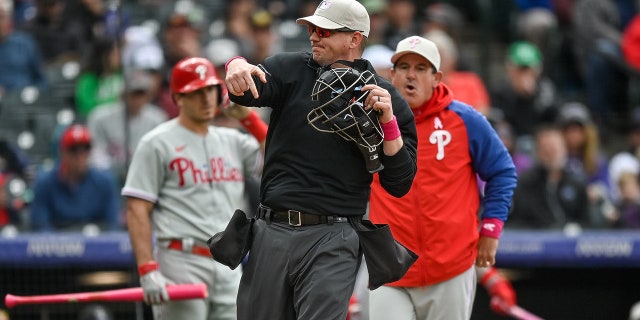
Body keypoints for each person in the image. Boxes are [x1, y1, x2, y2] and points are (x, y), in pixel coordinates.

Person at [223, 0, 418, 319]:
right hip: (273, 227)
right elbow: (244, 91)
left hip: (334, 235)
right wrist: (236, 64)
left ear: (355, 39)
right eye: (312, 28)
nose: (314, 35)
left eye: (324, 30)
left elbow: (399, 184)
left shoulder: (384, 96)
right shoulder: (290, 69)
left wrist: (389, 125)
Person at [367, 35, 517, 320]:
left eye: (421, 69)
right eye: (404, 67)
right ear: (391, 74)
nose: (411, 75)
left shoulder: (466, 119)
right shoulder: (369, 123)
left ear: (437, 77)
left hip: (450, 268)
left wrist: (491, 228)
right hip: (391, 268)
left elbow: (502, 171)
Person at [122, 56, 267, 320]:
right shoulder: (156, 142)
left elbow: (281, 156)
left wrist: (248, 118)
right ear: (178, 98)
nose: (206, 99)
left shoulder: (232, 140)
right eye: (196, 92)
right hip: (181, 261)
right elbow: (137, 209)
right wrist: (147, 268)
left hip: (228, 264)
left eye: (210, 89)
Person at [30, 124, 121, 232]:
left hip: (95, 245)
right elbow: (40, 228)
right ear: (62, 152)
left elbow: (113, 227)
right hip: (57, 246)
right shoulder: (44, 183)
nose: (80, 155)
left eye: (85, 148)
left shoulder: (104, 182)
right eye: (74, 149)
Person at [87, 69, 167, 187]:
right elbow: (95, 154)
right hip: (110, 177)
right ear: (123, 94)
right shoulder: (100, 117)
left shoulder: (157, 118)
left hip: (144, 178)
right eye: (134, 93)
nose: (138, 99)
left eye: (142, 93)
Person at [508, 125, 592, 229]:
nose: (550, 153)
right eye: (545, 149)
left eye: (554, 149)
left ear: (564, 149)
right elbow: (514, 222)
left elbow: (588, 223)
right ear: (537, 152)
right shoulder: (524, 184)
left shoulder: (576, 184)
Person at [0, 0, 47, 93]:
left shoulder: (25, 43)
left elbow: (42, 80)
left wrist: (35, 92)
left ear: (8, 20)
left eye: (1, 18)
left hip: (28, 98)